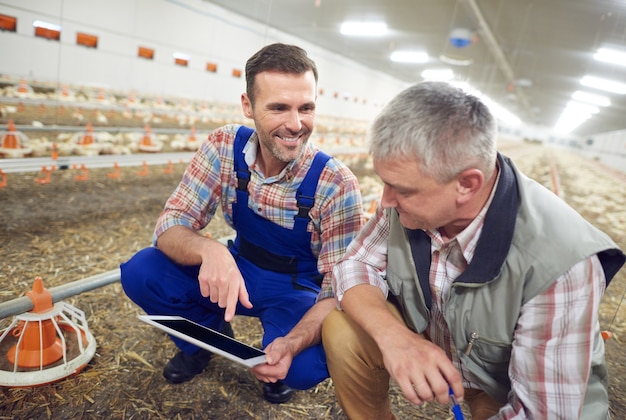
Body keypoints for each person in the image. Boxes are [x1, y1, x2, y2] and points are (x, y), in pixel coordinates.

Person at [321, 81, 626, 419]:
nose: (386, 201)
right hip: (441, 350)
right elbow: (355, 265)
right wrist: (395, 337)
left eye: (402, 190)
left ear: (467, 184)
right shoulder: (402, 204)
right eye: (385, 183)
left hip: (508, 386)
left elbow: (545, 413)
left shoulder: (559, 261)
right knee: (343, 329)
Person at [120, 43, 364, 404]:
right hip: (238, 265)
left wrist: (294, 341)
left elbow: (340, 289)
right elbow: (171, 223)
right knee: (143, 271)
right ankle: (204, 341)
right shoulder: (223, 146)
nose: (295, 124)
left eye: (306, 108)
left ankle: (279, 363)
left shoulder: (336, 184)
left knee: (305, 365)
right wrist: (209, 249)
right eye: (278, 107)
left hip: (295, 287)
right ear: (248, 106)